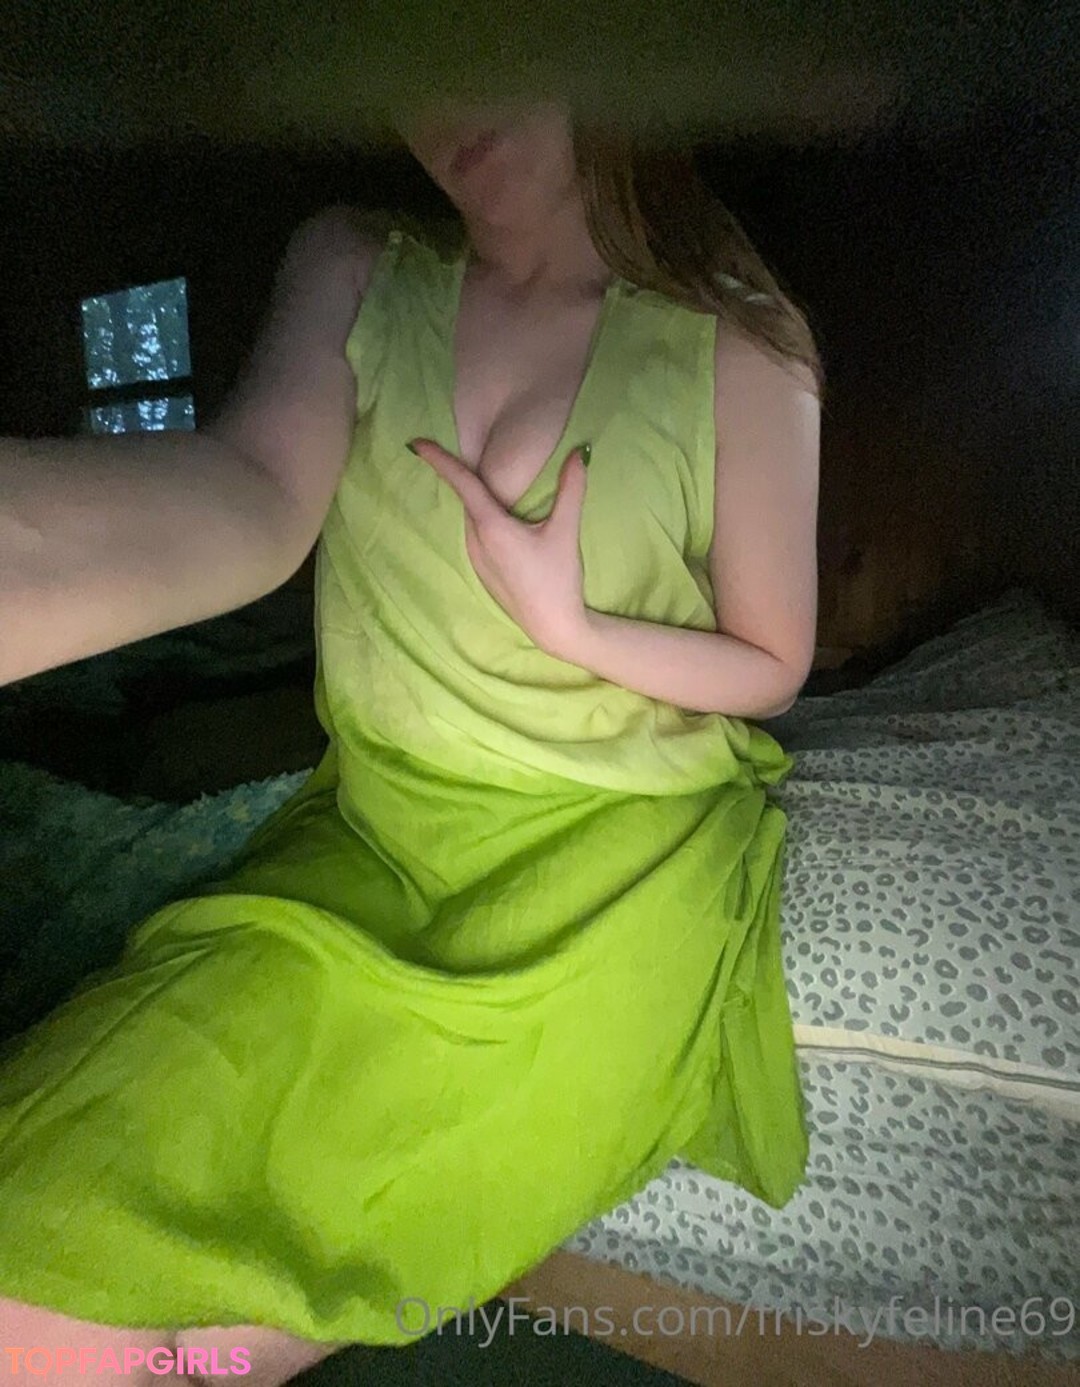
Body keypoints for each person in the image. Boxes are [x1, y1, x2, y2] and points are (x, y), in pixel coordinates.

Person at [0, 95, 822, 1385]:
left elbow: (772, 666)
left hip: (612, 862)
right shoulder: (355, 264)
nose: (447, 99)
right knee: (66, 1188)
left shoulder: (738, 341)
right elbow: (253, 491)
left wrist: (572, 625)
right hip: (379, 834)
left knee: (181, 1322)